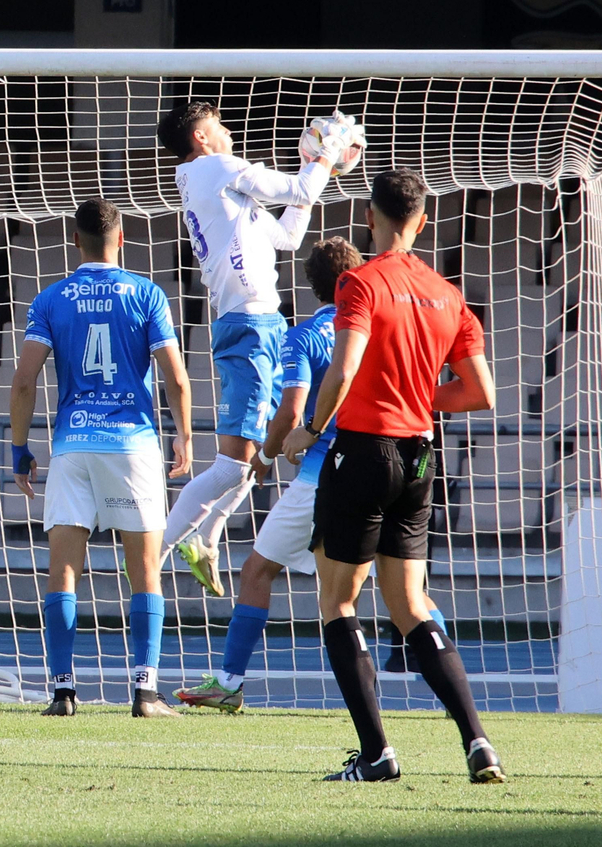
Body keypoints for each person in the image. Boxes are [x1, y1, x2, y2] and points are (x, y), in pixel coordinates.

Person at [282, 169, 503, 784]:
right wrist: (418, 397)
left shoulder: (361, 281)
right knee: (410, 605)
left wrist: (310, 428)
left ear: (370, 217)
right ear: (422, 221)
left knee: (337, 601)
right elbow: (480, 391)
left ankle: (377, 754)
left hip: (362, 451)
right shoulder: (446, 293)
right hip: (419, 457)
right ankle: (479, 742)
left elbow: (344, 366)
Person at [172, 237, 454, 713]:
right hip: (393, 462)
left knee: (261, 572)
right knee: (407, 593)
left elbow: (291, 411)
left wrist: (264, 457)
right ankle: (454, 682)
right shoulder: (376, 326)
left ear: (312, 286)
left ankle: (229, 681)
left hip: (325, 476)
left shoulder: (303, 336)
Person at [154, 100, 362, 596]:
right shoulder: (214, 167)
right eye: (219, 125)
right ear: (201, 138)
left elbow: (289, 235)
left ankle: (206, 537)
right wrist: (324, 154)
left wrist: (316, 169)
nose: (227, 132)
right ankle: (154, 554)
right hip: (250, 324)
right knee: (232, 464)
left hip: (256, 321)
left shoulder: (223, 193)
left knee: (260, 453)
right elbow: (296, 186)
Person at [11, 197, 193, 718]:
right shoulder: (147, 294)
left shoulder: (51, 298)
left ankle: (64, 691)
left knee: (63, 571)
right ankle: (145, 692)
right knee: (144, 572)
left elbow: (24, 380)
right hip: (132, 444)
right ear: (122, 239)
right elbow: (175, 376)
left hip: (72, 445)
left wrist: (20, 448)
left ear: (75, 241)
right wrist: (183, 435)